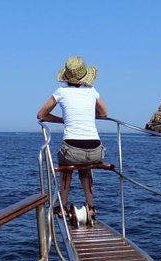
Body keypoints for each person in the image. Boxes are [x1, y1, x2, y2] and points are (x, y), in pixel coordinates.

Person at [37, 56, 108, 218]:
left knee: (67, 164)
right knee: (85, 165)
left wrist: (63, 120)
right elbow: (104, 113)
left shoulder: (61, 92)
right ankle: (91, 207)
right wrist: (86, 115)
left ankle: (61, 205)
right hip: (96, 150)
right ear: (84, 76)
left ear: (67, 77)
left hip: (72, 150)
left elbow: (41, 114)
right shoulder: (92, 91)